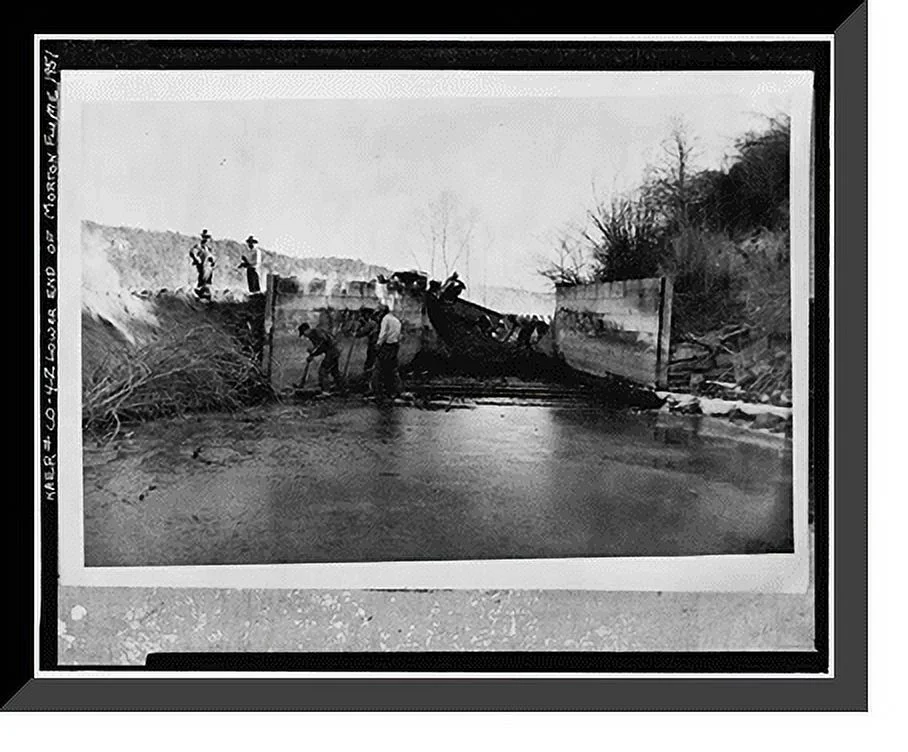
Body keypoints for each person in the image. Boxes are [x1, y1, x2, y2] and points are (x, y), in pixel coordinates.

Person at [298, 322, 344, 395]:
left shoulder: (317, 332)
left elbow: (323, 344)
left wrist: (313, 354)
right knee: (334, 371)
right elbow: (318, 347)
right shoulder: (312, 336)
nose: (305, 336)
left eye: (304, 333)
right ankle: (341, 388)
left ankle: (326, 392)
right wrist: (312, 353)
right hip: (333, 351)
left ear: (307, 330)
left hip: (332, 351)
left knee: (323, 371)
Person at [373, 304, 402, 402]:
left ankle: (378, 393)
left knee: (378, 369)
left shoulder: (385, 319)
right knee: (391, 369)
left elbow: (383, 333)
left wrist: (378, 344)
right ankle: (392, 391)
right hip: (394, 346)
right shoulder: (396, 320)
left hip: (386, 346)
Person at [355, 308, 382, 391]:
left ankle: (369, 385)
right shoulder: (378, 323)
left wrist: (358, 327)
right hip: (380, 346)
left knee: (369, 365)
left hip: (373, 346)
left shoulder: (371, 323)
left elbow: (360, 333)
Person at [188, 229, 216, 300]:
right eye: (204, 237)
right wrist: (196, 259)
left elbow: (212, 259)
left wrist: (212, 262)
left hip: (209, 271)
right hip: (202, 269)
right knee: (202, 285)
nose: (206, 239)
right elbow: (192, 252)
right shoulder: (199, 246)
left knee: (208, 285)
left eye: (208, 237)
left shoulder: (208, 249)